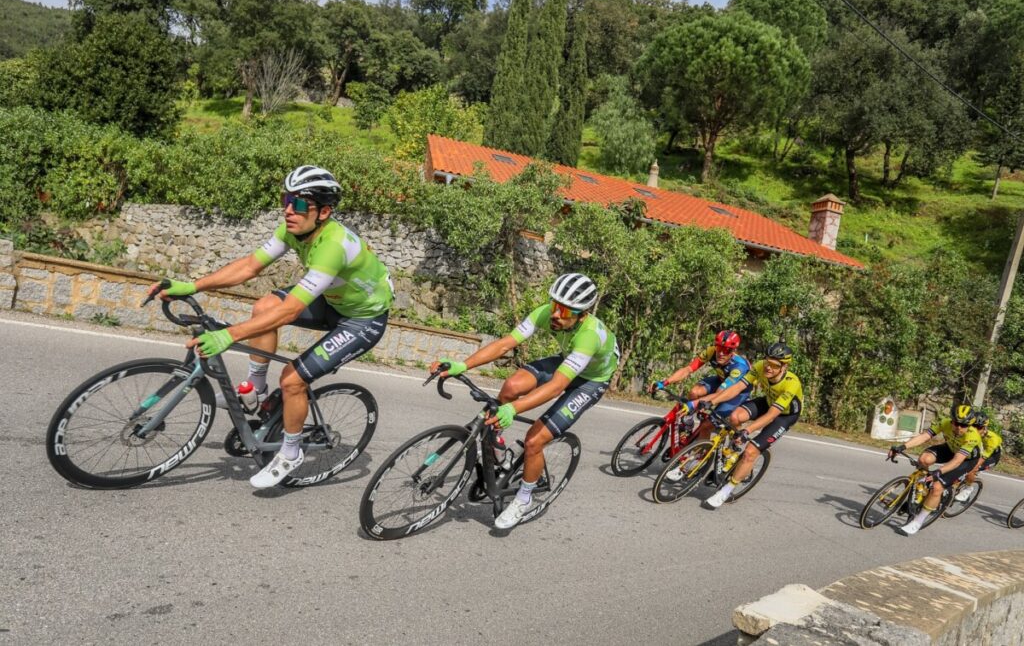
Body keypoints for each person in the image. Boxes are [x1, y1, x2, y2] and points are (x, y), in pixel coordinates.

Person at [150, 165, 393, 488]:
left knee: (293, 378)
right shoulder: (292, 230)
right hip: (334, 301)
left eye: (301, 203)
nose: (289, 209)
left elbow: (291, 309)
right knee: (264, 305)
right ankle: (256, 392)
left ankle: (291, 453)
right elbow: (250, 266)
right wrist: (192, 286)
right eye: (286, 199)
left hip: (362, 319)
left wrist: (229, 335)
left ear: (324, 212)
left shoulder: (333, 245)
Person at [430, 273, 618, 530]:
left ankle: (524, 498)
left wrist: (513, 408)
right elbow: (506, 343)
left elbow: (556, 387)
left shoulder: (589, 335)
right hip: (568, 363)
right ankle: (500, 450)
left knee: (534, 440)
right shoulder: (546, 313)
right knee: (510, 387)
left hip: (590, 381)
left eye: (564, 311)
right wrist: (463, 364)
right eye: (554, 305)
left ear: (582, 314)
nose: (555, 314)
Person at [697, 342, 803, 509]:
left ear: (785, 366)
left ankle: (726, 490)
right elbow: (737, 387)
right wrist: (712, 401)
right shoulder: (760, 366)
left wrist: (747, 430)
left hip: (784, 415)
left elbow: (772, 415)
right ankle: (733, 452)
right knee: (734, 416)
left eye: (774, 365)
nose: (768, 367)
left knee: (751, 452)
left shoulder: (792, 383)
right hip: (768, 402)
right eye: (767, 361)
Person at [652, 330, 752, 482]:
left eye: (727, 350)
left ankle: (699, 460)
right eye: (719, 348)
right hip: (721, 380)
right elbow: (688, 369)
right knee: (694, 392)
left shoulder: (739, 366)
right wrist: (665, 382)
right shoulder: (711, 351)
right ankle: (688, 424)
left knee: (706, 425)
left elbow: (720, 395)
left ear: (734, 351)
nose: (721, 353)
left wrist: (694, 404)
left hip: (735, 392)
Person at [887, 404, 983, 535]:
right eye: (956, 423)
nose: (959, 428)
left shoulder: (972, 436)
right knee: (924, 459)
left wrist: (939, 472)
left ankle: (917, 522)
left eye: (964, 425)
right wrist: (902, 447)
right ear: (951, 420)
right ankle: (923, 488)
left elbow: (957, 461)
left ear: (970, 425)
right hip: (950, 448)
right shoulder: (944, 423)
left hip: (966, 460)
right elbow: (924, 436)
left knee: (937, 486)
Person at [954, 409, 1001, 503]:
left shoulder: (993, 439)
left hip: (991, 457)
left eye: (978, 427)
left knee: (971, 469)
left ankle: (968, 488)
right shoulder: (968, 432)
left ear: (985, 428)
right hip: (976, 452)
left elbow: (982, 458)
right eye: (973, 426)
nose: (975, 429)